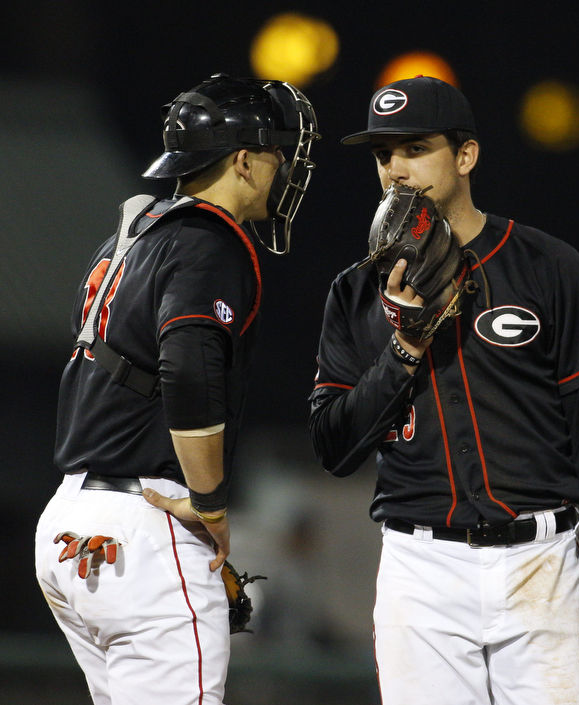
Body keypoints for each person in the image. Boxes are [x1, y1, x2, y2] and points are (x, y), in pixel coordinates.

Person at [309, 75, 579, 705]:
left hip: (542, 562)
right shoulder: (356, 292)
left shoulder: (547, 266)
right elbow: (334, 447)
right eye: (385, 155)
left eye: (415, 149)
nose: (396, 170)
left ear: (466, 155)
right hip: (421, 566)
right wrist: (404, 348)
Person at [34, 73, 321, 704]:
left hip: (70, 523)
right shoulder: (207, 240)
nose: (287, 170)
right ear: (243, 160)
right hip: (146, 523)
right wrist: (212, 505)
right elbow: (188, 367)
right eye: (278, 155)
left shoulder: (133, 234)